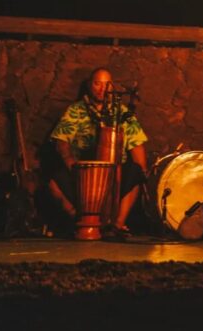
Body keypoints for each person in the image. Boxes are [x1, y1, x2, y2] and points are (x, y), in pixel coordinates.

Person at [47, 67, 148, 239]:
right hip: (83, 173)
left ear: (112, 87)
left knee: (135, 173)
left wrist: (144, 174)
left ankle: (117, 224)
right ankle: (81, 221)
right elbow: (61, 141)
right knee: (54, 182)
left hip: (115, 173)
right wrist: (70, 162)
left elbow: (136, 144)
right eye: (97, 83)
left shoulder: (122, 112)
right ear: (89, 85)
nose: (102, 89)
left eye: (106, 84)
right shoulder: (76, 110)